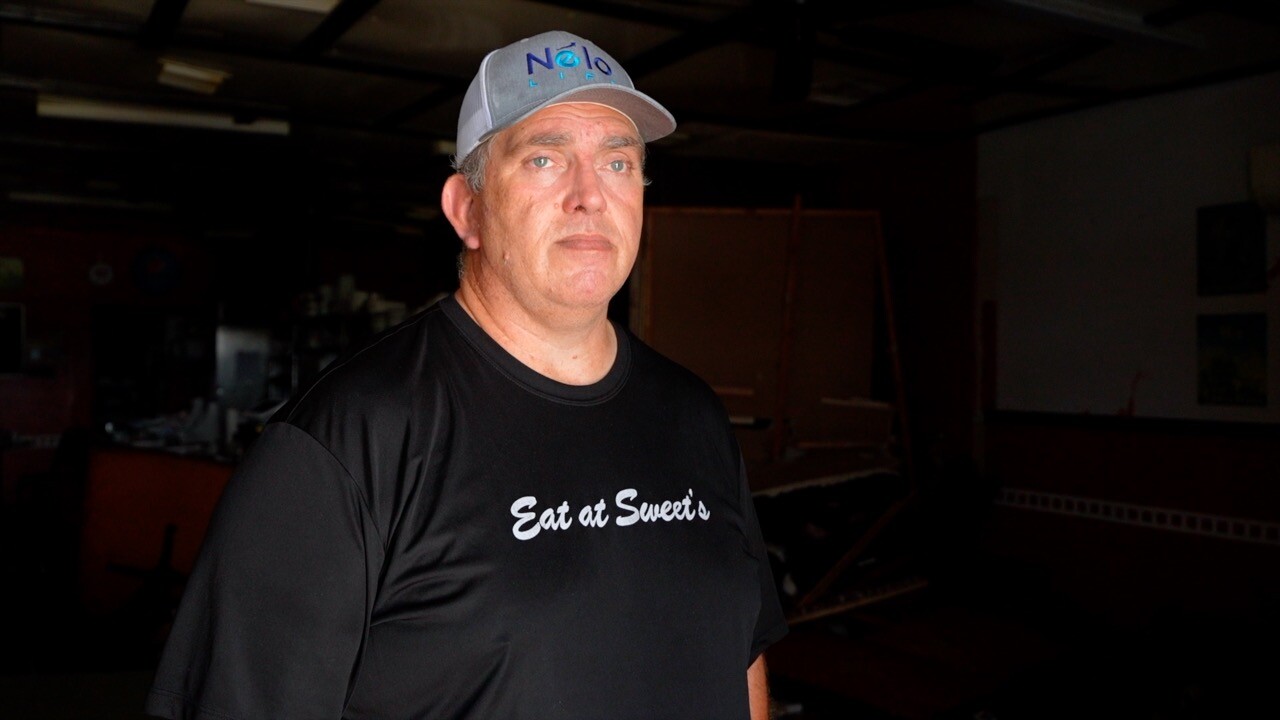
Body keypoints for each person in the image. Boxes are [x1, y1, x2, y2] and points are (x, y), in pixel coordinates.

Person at [145, 30, 786, 720]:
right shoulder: (347, 440)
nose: (589, 195)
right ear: (467, 210)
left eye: (618, 162)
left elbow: (742, 653)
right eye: (544, 158)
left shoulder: (693, 415)